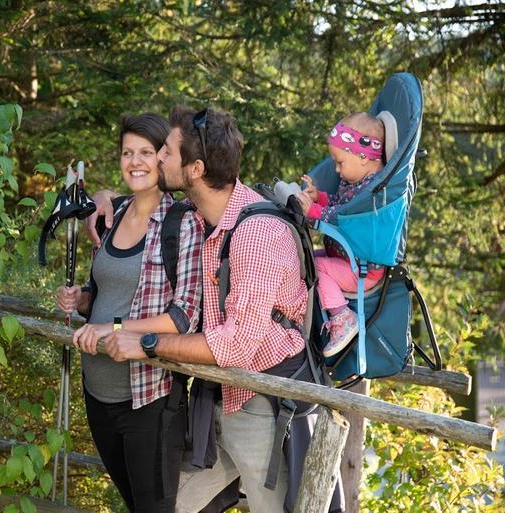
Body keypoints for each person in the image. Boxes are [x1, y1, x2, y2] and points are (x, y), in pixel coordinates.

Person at [94, 106, 309, 513]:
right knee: (172, 506)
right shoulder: (203, 213)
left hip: (263, 400)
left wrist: (149, 344)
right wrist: (102, 200)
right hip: (220, 397)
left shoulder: (257, 235)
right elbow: (142, 204)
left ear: (194, 169)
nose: (157, 158)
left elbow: (235, 347)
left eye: (167, 153)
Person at [55, 112, 203, 513]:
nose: (135, 162)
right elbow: (105, 289)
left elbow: (183, 316)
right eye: (127, 152)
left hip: (148, 399)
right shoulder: (113, 215)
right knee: (133, 503)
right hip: (97, 393)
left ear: (163, 158)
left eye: (146, 152)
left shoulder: (182, 223)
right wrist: (81, 299)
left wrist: (111, 326)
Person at [295, 112, 386, 357]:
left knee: (320, 268)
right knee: (309, 260)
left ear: (364, 157)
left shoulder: (372, 191)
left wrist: (313, 211)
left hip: (364, 269)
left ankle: (342, 317)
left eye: (340, 162)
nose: (336, 169)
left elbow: (344, 219)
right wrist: (320, 199)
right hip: (350, 258)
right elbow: (339, 204)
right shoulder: (359, 182)